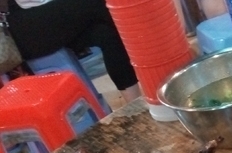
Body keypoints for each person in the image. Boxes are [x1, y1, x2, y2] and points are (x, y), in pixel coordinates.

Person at [5, 0, 142, 104]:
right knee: (102, 3)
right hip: (19, 30)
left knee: (106, 34)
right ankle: (150, 56)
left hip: (43, 17)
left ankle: (135, 104)